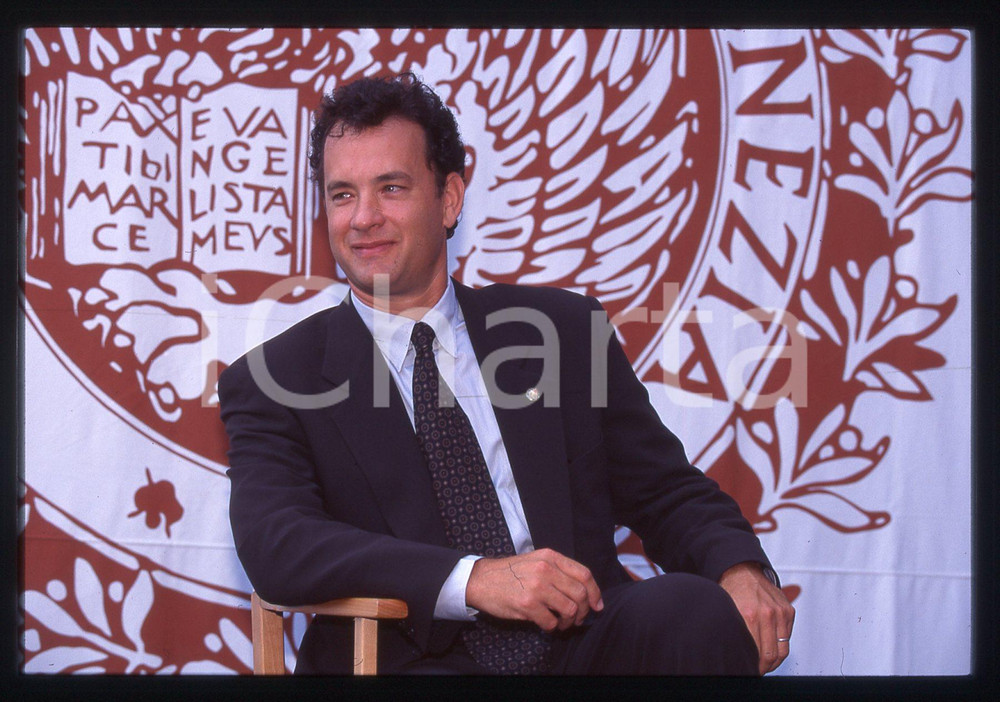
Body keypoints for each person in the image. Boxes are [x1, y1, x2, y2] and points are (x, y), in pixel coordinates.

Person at [219, 72, 794, 675]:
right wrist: (474, 579)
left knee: (694, 611)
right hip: (408, 659)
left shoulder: (562, 331)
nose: (363, 218)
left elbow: (663, 489)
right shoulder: (274, 378)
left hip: (585, 640)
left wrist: (738, 568)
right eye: (342, 194)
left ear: (449, 198)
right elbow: (277, 542)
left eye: (390, 187)